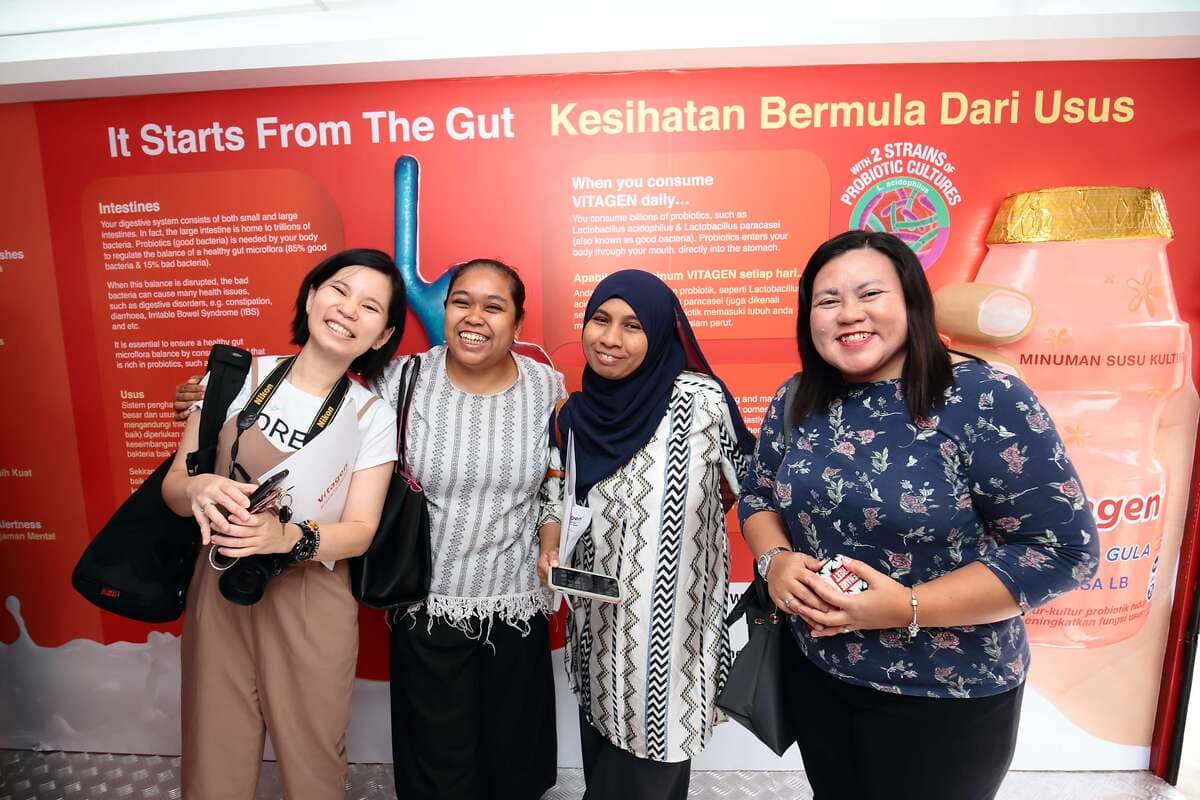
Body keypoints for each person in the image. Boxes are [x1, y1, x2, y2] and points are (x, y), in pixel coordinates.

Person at [737, 229, 1100, 800]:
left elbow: (1062, 552)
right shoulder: (798, 397)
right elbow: (758, 495)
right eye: (828, 300)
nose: (848, 314)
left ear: (912, 302)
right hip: (818, 673)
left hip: (944, 695)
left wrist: (907, 606)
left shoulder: (984, 397)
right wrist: (775, 560)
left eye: (869, 294)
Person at [161, 248, 404, 800]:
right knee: (213, 752)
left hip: (312, 596)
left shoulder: (371, 415)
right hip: (219, 585)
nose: (349, 310)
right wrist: (198, 487)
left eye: (370, 307)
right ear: (311, 296)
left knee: (314, 759)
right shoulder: (233, 378)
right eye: (339, 290)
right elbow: (174, 489)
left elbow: (361, 529)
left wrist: (285, 537)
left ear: (383, 335)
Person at [538, 269, 757, 800]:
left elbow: (755, 490)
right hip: (597, 625)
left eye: (632, 326)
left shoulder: (701, 402)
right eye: (600, 320)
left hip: (673, 636)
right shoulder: (575, 414)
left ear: (660, 333)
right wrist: (549, 543)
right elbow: (554, 493)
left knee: (652, 764)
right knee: (604, 760)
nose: (610, 338)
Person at [371, 258, 563, 800]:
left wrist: (551, 544)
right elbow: (321, 401)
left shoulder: (546, 386)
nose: (474, 317)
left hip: (516, 607)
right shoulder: (401, 380)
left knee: (514, 766)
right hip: (425, 607)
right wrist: (224, 394)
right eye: (462, 302)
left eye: (493, 306)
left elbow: (554, 485)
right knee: (438, 770)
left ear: (517, 324)